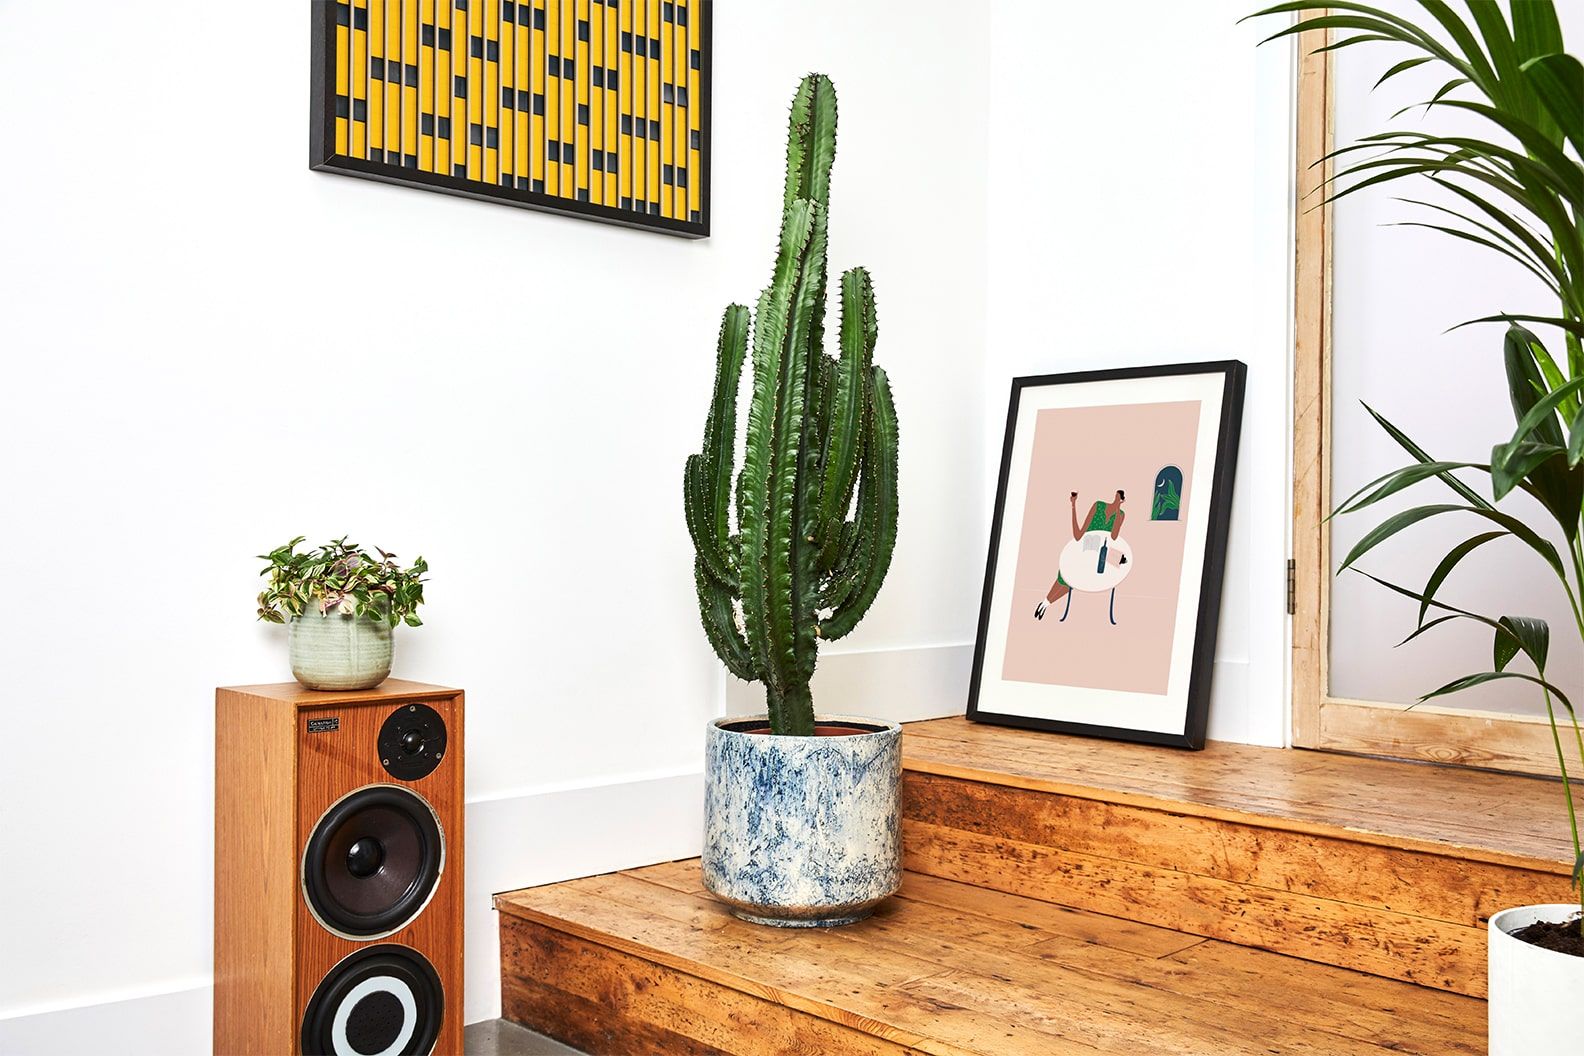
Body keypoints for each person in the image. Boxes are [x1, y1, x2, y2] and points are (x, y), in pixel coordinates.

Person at [1034, 490, 1126, 620]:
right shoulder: (1098, 506)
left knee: (1073, 582)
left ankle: (1045, 604)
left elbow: (1114, 536)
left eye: (1119, 499)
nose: (1117, 500)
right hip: (1085, 548)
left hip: (1102, 553)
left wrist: (1117, 511)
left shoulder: (1121, 515)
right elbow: (1079, 534)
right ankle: (1045, 603)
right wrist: (1073, 505)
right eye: (1116, 497)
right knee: (1064, 578)